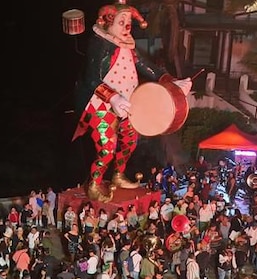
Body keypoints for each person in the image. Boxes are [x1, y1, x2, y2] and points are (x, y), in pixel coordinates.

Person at [71, 0, 191, 200]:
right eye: (121, 21)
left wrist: (172, 82)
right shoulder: (99, 44)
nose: (127, 26)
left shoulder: (127, 44)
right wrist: (114, 97)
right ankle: (94, 183)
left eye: (128, 20)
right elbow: (92, 78)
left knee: (130, 141)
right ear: (108, 23)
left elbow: (146, 66)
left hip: (129, 101)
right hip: (100, 103)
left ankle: (118, 175)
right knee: (107, 148)